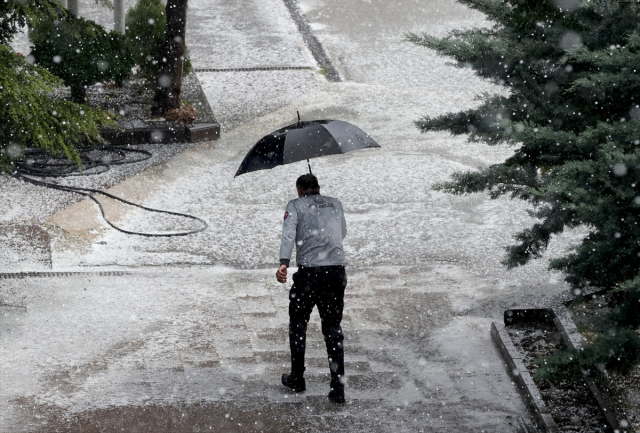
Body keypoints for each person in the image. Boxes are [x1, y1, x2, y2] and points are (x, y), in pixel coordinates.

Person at [275, 173, 348, 404]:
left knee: (298, 324)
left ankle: (298, 378)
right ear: (318, 187)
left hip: (309, 274)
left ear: (299, 189)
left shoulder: (295, 205)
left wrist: (284, 263)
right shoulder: (335, 203)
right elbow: (342, 232)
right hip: (335, 272)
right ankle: (338, 387)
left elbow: (288, 234)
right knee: (333, 329)